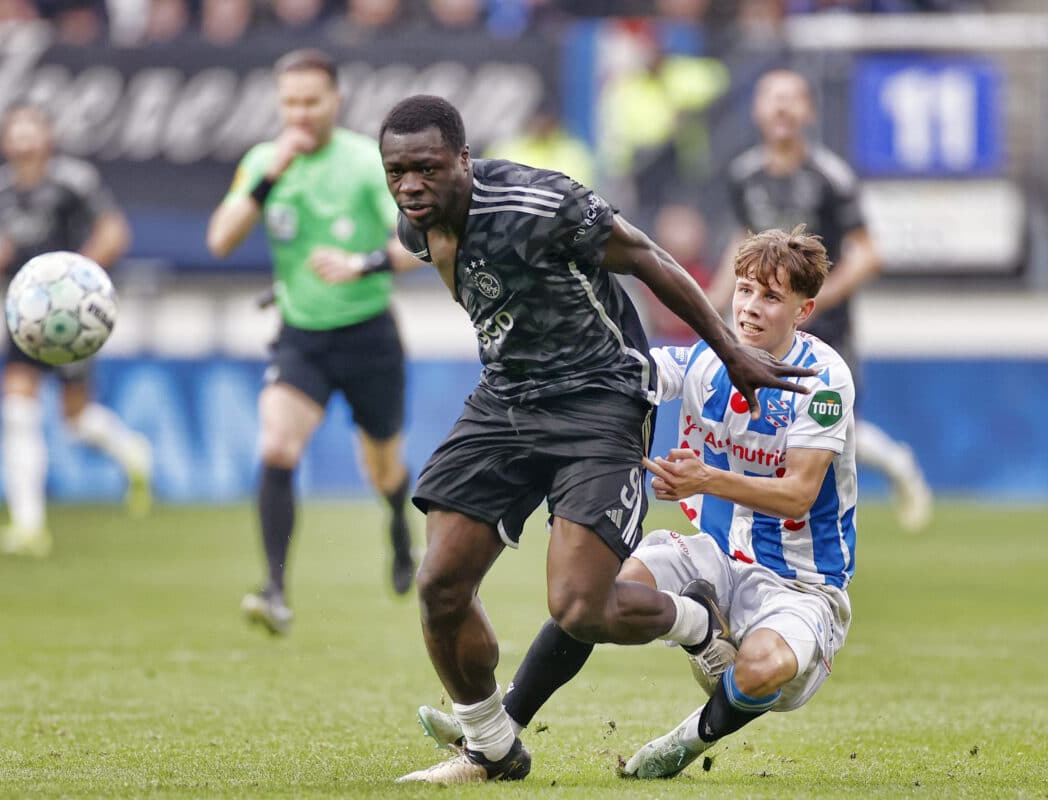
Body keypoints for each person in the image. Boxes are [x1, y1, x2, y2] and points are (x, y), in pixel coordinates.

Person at [378, 94, 817, 785]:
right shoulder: (416, 225)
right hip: (506, 400)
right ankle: (491, 747)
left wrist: (731, 349)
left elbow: (646, 256)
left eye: (427, 169)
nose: (410, 186)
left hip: (598, 400)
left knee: (580, 608)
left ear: (463, 160)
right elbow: (436, 263)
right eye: (396, 171)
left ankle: (695, 621)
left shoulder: (538, 203)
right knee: (438, 586)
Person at [414, 225, 857, 780]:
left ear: (804, 308)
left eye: (771, 296)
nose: (750, 307)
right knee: (591, 594)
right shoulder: (703, 361)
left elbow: (798, 494)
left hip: (802, 583)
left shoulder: (823, 380)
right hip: (716, 556)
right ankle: (502, 725)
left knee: (762, 668)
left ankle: (686, 741)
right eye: (744, 290)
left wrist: (705, 480)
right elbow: (619, 370)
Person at [206, 49, 422, 636]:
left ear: (336, 101)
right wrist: (269, 173)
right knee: (277, 446)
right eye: (290, 102)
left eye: (311, 101)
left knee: (382, 469)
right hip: (301, 336)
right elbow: (220, 240)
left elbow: (420, 242)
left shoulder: (364, 162)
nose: (299, 113)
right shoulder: (262, 162)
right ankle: (275, 589)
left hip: (369, 336)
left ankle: (399, 528)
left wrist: (363, 263)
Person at [709, 68, 931, 531]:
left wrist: (816, 300)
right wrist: (711, 301)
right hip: (766, 324)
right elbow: (742, 243)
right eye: (773, 97)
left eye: (792, 98)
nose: (782, 107)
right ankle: (757, 516)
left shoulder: (830, 176)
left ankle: (894, 465)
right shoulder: (744, 175)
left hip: (823, 326)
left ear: (808, 111)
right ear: (758, 110)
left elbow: (868, 253)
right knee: (762, 416)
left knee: (833, 422)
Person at [0, 104, 153, 558]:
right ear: (4, 141)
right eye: (14, 130)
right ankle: (28, 525)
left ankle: (130, 449)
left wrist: (76, 278)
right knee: (17, 411)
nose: (23, 138)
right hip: (22, 318)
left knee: (74, 421)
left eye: (31, 128)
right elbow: (15, 241)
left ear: (48, 137)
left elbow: (115, 232)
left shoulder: (74, 181)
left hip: (71, 321)